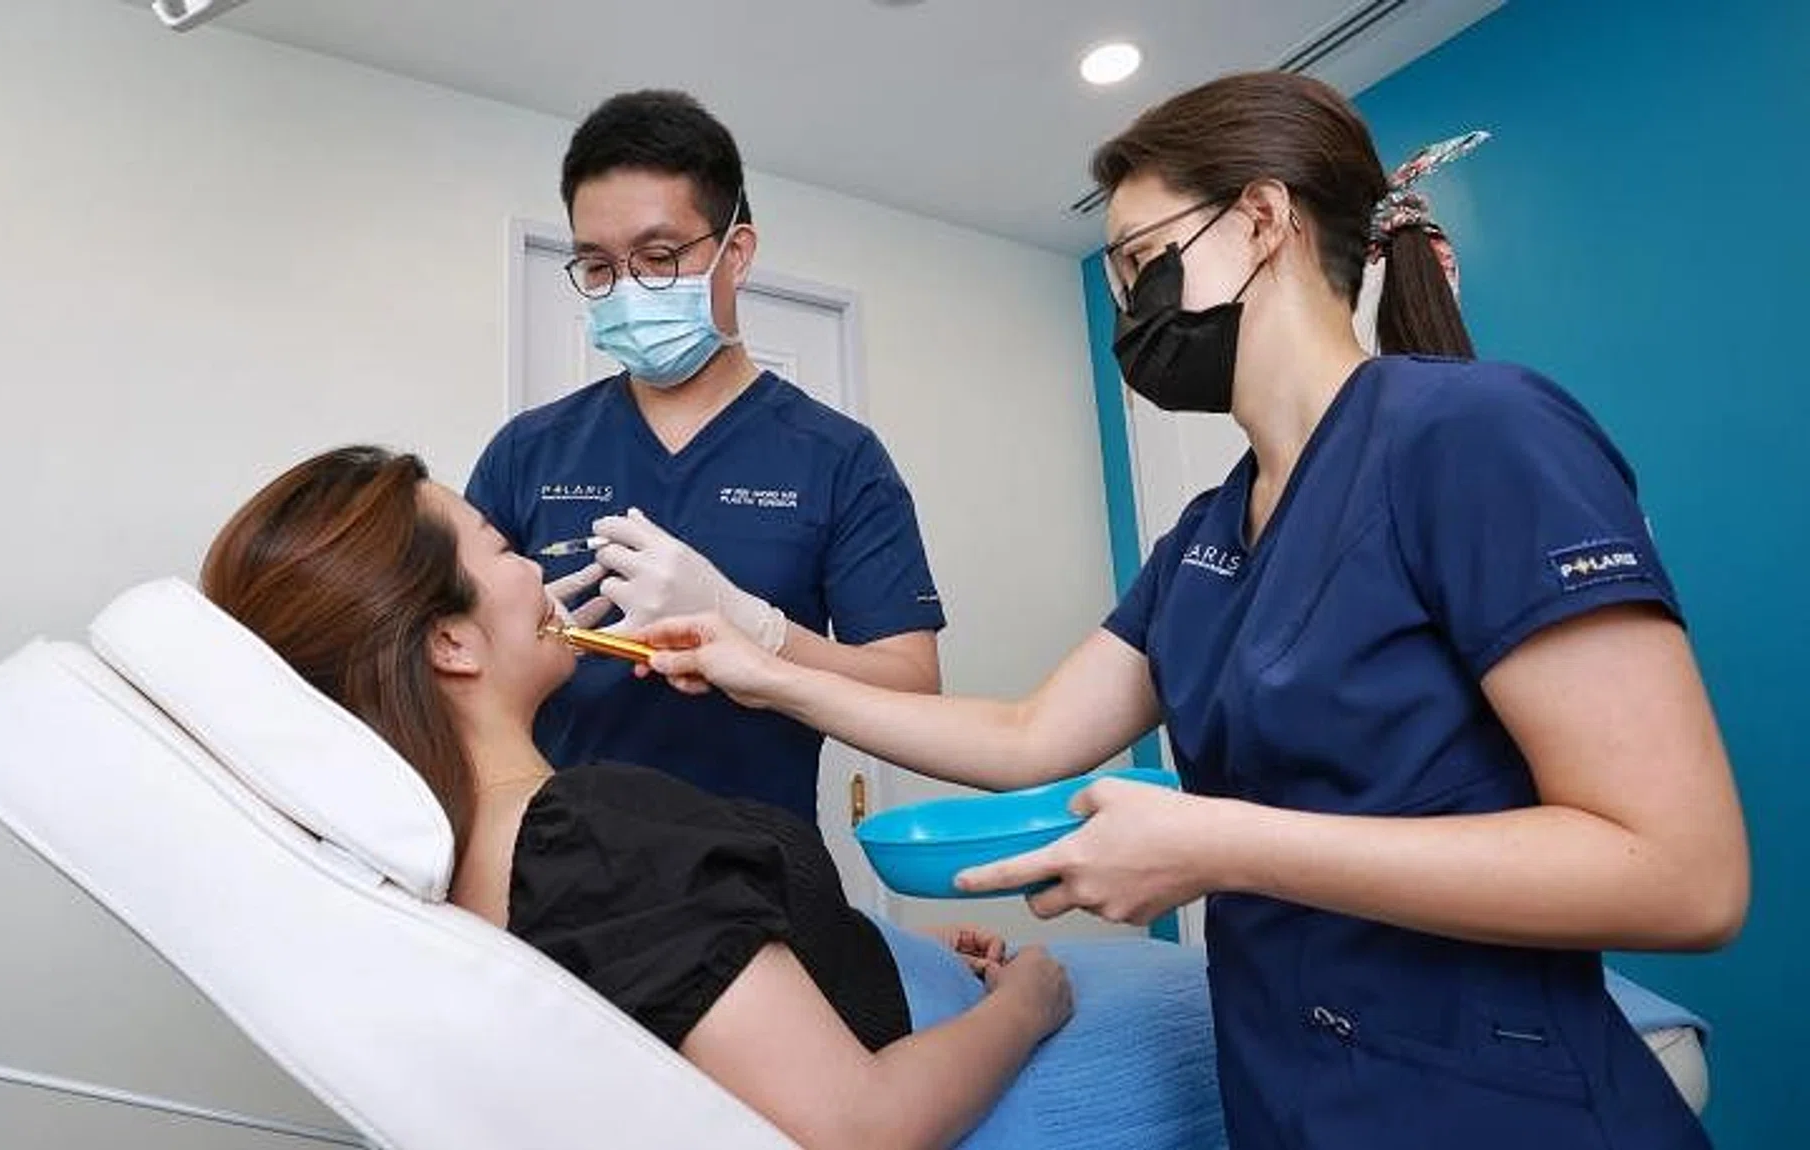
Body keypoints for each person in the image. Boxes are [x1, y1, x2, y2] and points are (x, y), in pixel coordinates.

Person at [637, 72, 1749, 1150]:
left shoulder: (1474, 434)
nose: (1131, 311)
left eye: (1140, 262)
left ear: (1262, 219)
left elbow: (1681, 872)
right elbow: (1029, 737)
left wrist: (1218, 844)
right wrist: (765, 668)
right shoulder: (1210, 533)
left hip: (1495, 1099)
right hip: (1285, 1087)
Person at [200, 445, 1225, 1150]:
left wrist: (839, 941)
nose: (537, 573)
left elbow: (693, 982)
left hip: (904, 997)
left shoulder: (472, 857)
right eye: (505, 550)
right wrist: (1030, 1004)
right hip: (1002, 1067)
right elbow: (855, 1126)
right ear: (449, 640)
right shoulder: (593, 835)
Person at [466, 89, 944, 820]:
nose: (627, 289)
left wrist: (757, 630)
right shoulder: (528, 451)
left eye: (658, 257)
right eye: (598, 267)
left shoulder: (839, 459)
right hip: (559, 862)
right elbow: (453, 658)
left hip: (760, 871)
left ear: (736, 252)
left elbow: (912, 693)